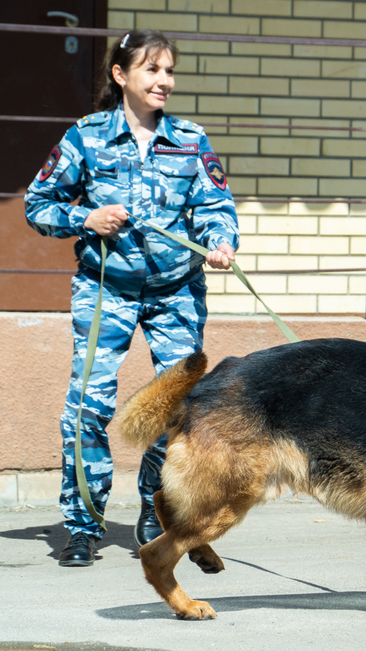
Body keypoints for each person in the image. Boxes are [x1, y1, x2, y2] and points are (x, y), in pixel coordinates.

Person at [24, 29, 240, 567]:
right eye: (152, 70)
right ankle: (82, 525)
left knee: (178, 409)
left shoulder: (190, 139)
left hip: (176, 293)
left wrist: (220, 240)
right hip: (106, 292)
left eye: (169, 71)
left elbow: (216, 204)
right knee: (87, 409)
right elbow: (38, 203)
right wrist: (86, 217)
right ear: (122, 76)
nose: (164, 80)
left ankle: (156, 509)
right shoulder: (87, 137)